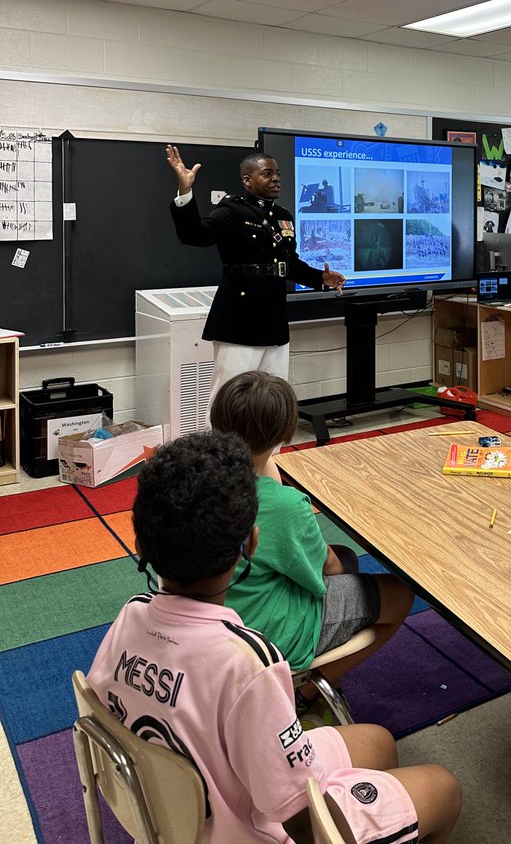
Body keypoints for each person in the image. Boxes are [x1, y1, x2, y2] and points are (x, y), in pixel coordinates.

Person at [88, 430, 461, 844]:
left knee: (379, 742)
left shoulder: (130, 614)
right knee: (443, 787)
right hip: (249, 829)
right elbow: (300, 819)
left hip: (177, 804)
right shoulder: (248, 662)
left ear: (140, 542)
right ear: (250, 542)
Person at [209, 371, 413, 693]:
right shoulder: (285, 505)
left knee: (344, 556)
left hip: (213, 616)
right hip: (263, 633)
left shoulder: (198, 477)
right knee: (398, 592)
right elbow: (325, 570)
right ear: (285, 432)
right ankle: (306, 693)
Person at [166, 146, 346, 401]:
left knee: (273, 400)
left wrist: (320, 278)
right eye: (267, 173)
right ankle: (222, 444)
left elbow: (288, 263)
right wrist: (185, 191)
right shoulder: (233, 211)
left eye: (278, 174)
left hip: (274, 321)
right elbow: (194, 234)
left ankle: (269, 444)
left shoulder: (283, 216)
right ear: (247, 180)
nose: (276, 179)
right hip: (239, 319)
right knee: (230, 398)